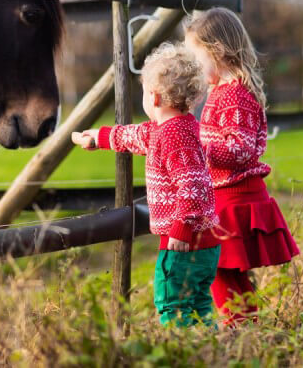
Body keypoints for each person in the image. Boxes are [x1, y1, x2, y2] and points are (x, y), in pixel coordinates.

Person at [72, 42, 219, 326]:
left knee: (173, 304)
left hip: (185, 241)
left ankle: (183, 355)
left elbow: (193, 185)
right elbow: (135, 136)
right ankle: (212, 351)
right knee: (198, 304)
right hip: (204, 243)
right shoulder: (174, 128)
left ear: (152, 98)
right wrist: (99, 137)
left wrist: (182, 227)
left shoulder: (174, 136)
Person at [182, 7, 300, 325]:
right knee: (222, 273)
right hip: (224, 196)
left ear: (218, 52)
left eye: (197, 59)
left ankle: (241, 330)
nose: (193, 68)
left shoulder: (235, 96)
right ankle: (244, 328)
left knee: (218, 270)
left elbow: (239, 149)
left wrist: (198, 148)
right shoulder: (221, 92)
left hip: (236, 198)